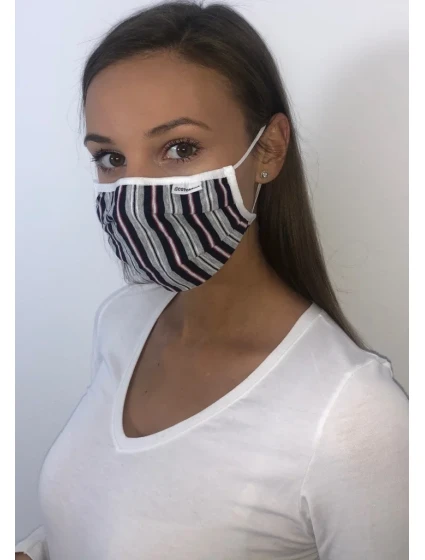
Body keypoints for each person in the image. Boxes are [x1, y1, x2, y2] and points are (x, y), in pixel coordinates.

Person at [15, 1, 408, 559]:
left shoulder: (352, 418)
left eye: (179, 148)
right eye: (110, 157)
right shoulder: (123, 321)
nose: (136, 192)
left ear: (268, 149)